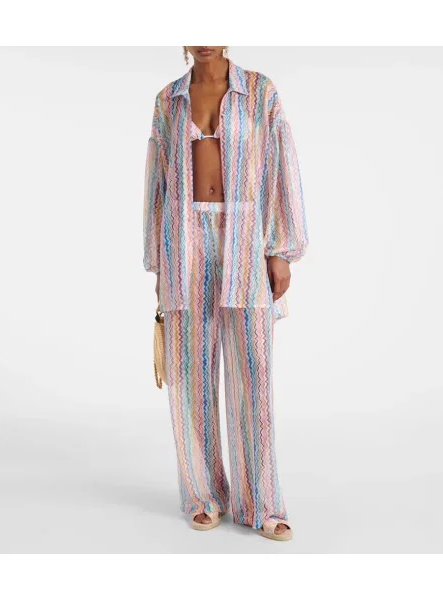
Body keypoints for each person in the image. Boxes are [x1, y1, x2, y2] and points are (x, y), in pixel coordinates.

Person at [143, 46, 308, 541]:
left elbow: (280, 166)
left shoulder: (260, 92)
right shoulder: (168, 101)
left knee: (253, 374)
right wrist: (158, 260)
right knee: (190, 375)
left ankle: (262, 503)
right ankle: (202, 495)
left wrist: (281, 248)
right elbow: (157, 183)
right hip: (184, 241)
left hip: (246, 238)